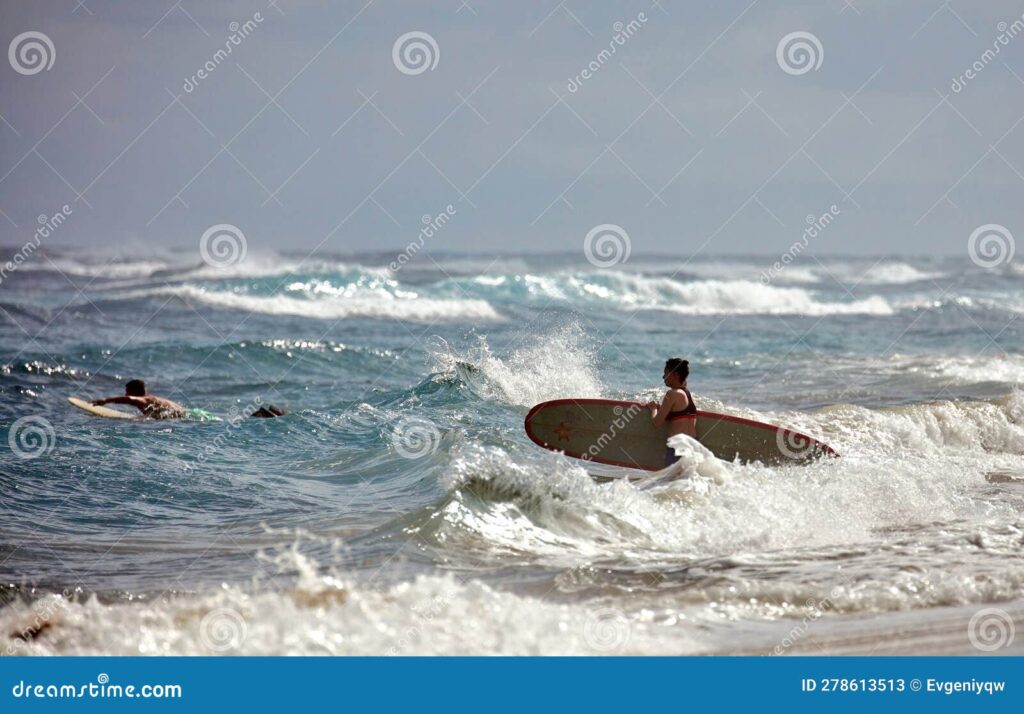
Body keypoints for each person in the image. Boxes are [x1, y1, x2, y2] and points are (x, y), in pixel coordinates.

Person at [647, 358, 698, 466]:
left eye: (666, 373)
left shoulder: (672, 394)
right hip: (693, 446)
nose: (663, 377)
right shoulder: (688, 394)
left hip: (678, 448)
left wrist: (653, 409)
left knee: (672, 477)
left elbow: (657, 422)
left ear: (675, 375)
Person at [92, 379, 187, 419]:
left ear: (135, 391)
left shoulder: (144, 400)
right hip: (187, 413)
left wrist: (105, 401)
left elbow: (130, 399)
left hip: (184, 417)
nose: (125, 394)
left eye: (127, 391)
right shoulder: (151, 399)